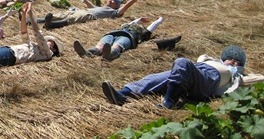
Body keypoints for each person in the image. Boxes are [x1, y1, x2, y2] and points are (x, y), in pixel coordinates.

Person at [101, 45, 248, 109]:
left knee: (181, 62)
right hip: (194, 72)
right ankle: (121, 95)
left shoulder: (235, 74)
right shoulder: (211, 60)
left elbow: (255, 79)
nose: (234, 62)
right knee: (154, 78)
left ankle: (169, 101)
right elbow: (201, 58)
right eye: (231, 60)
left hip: (208, 81)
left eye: (237, 62)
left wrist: (238, 70)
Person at [40, 0, 150, 29]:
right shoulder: (101, 8)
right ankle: (33, 20)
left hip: (88, 16)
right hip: (81, 11)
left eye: (113, 1)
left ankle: (51, 25)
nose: (110, 0)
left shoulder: (115, 12)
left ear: (117, 5)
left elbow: (128, 5)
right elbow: (87, 2)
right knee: (62, 14)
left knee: (73, 18)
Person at [73, 16, 165, 60]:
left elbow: (153, 25)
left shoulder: (144, 32)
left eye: (142, 26)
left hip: (129, 37)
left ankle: (109, 55)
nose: (140, 26)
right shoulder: (126, 26)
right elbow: (132, 23)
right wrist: (139, 19)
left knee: (118, 46)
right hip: (113, 34)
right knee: (100, 45)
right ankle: (86, 53)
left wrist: (159, 20)